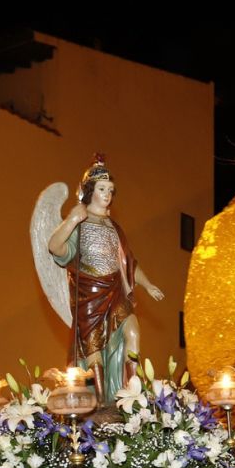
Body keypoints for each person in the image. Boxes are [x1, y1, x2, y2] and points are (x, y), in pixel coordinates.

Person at [48, 155, 164, 403]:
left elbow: (129, 264)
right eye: (102, 189)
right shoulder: (79, 225)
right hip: (90, 294)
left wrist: (147, 284)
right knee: (94, 351)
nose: (107, 194)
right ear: (90, 191)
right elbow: (55, 247)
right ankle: (100, 401)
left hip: (115, 291)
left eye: (111, 190)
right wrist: (71, 220)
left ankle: (132, 392)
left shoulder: (114, 227)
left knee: (133, 330)